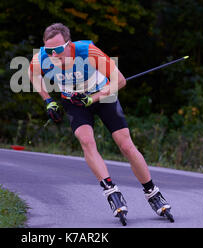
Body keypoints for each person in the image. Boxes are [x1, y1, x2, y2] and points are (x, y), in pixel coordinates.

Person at [28, 23, 172, 222]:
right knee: (86, 141)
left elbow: (120, 81)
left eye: (58, 50)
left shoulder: (87, 51)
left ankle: (152, 192)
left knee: (125, 144)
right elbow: (32, 74)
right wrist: (48, 101)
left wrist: (93, 98)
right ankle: (111, 191)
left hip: (103, 96)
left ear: (68, 44)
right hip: (74, 102)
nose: (54, 55)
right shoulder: (43, 57)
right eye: (49, 50)